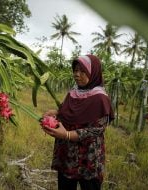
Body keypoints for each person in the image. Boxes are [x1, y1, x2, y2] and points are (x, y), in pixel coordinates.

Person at [42, 54, 114, 190]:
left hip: (88, 157)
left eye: (82, 71)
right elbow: (67, 113)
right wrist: (56, 113)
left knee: (89, 186)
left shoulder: (100, 99)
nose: (77, 74)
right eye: (75, 70)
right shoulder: (73, 93)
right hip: (67, 155)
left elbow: (96, 130)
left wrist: (67, 135)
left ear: (93, 73)